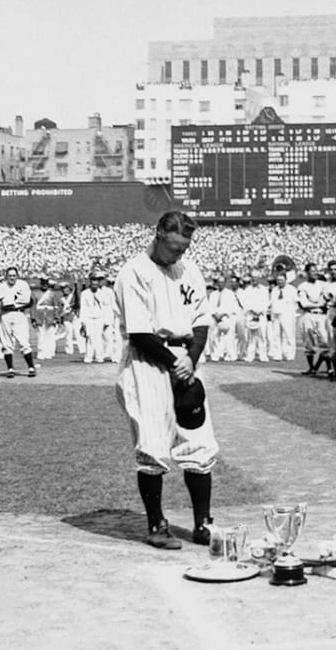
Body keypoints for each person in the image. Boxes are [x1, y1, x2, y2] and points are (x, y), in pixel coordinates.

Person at [114, 211, 217, 549]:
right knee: (154, 446)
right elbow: (140, 333)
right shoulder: (134, 273)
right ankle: (157, 525)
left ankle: (203, 524)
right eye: (174, 247)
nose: (179, 255)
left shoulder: (190, 270)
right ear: (157, 234)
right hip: (149, 362)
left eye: (184, 248)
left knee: (200, 443)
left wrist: (191, 359)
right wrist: (178, 364)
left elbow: (201, 320)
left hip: (185, 358)